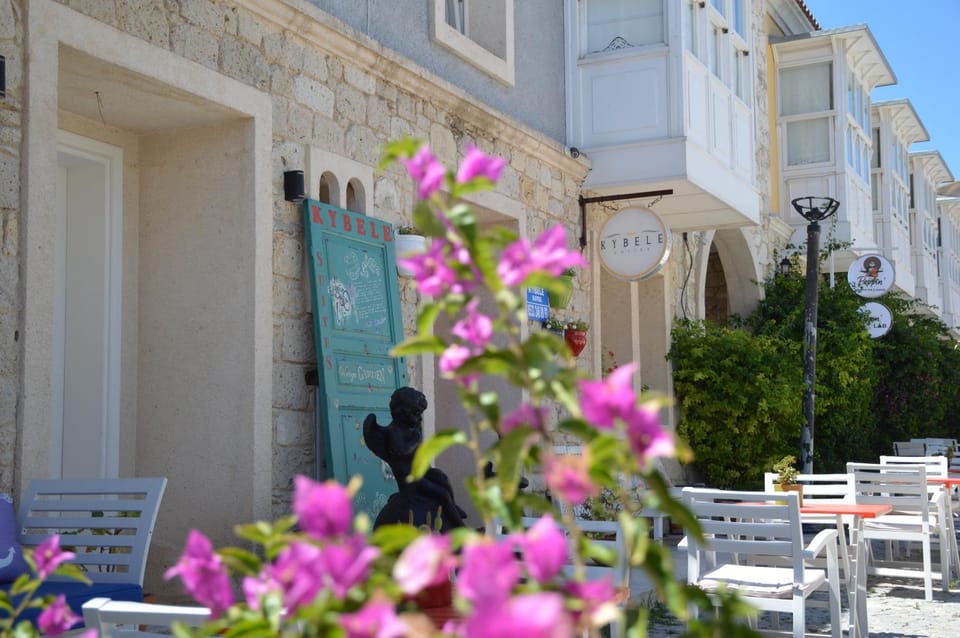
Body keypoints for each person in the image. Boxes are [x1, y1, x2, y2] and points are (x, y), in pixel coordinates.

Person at [363, 387, 466, 531]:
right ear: (403, 413)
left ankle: (452, 508)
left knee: (442, 478)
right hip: (410, 480)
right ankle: (460, 527)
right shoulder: (394, 432)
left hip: (421, 471)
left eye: (420, 414)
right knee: (442, 494)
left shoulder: (413, 428)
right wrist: (416, 439)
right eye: (416, 414)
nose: (420, 418)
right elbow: (402, 450)